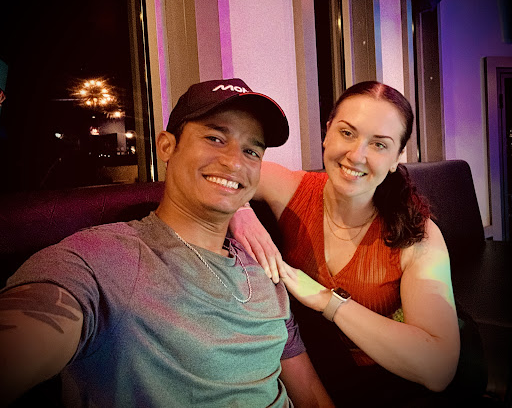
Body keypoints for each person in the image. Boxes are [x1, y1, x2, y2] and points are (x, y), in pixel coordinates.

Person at [0, 78, 333, 407]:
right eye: (215, 138)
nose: (234, 162)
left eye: (251, 151)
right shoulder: (103, 259)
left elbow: (310, 394)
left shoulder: (264, 268)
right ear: (166, 146)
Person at [230, 81, 461, 406]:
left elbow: (439, 368)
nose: (356, 155)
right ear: (327, 133)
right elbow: (222, 170)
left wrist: (327, 300)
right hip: (308, 370)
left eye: (379, 144)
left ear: (396, 157)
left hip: (387, 380)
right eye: (347, 133)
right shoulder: (291, 190)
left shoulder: (417, 235)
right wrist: (240, 212)